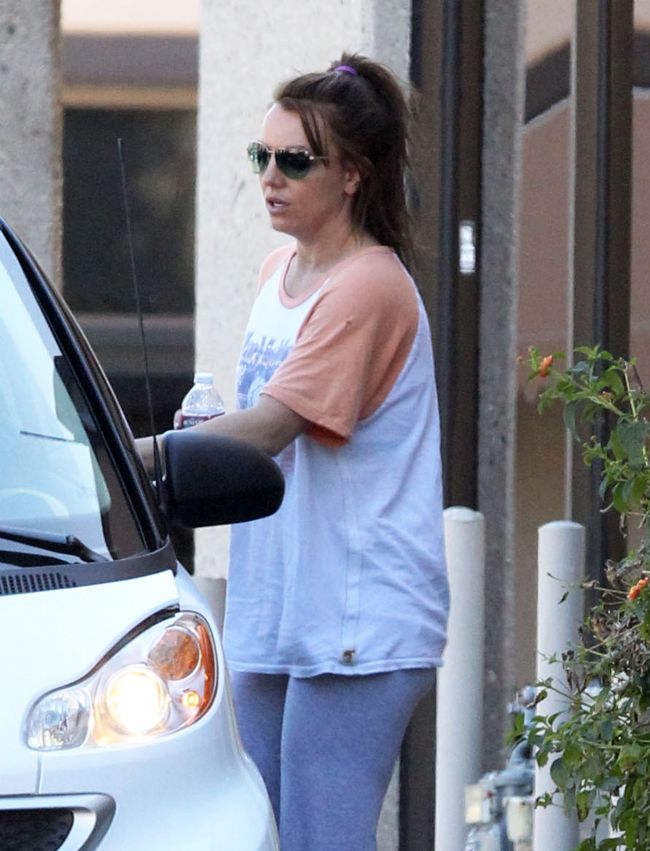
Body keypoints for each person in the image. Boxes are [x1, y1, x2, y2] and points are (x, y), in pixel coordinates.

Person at [143, 52, 448, 851]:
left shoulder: (367, 285)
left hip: (356, 617)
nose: (271, 177)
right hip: (279, 603)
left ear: (352, 175)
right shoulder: (281, 270)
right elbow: (260, 428)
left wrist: (126, 458)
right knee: (261, 834)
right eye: (263, 156)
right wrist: (199, 438)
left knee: (320, 837)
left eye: (296, 161)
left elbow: (274, 427)